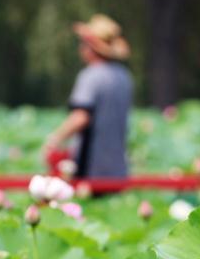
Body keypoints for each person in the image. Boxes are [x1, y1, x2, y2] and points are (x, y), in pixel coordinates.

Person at [44, 14, 133, 179]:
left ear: (91, 48)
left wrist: (55, 139)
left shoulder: (91, 75)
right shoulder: (124, 76)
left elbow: (81, 116)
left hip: (92, 168)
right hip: (119, 167)